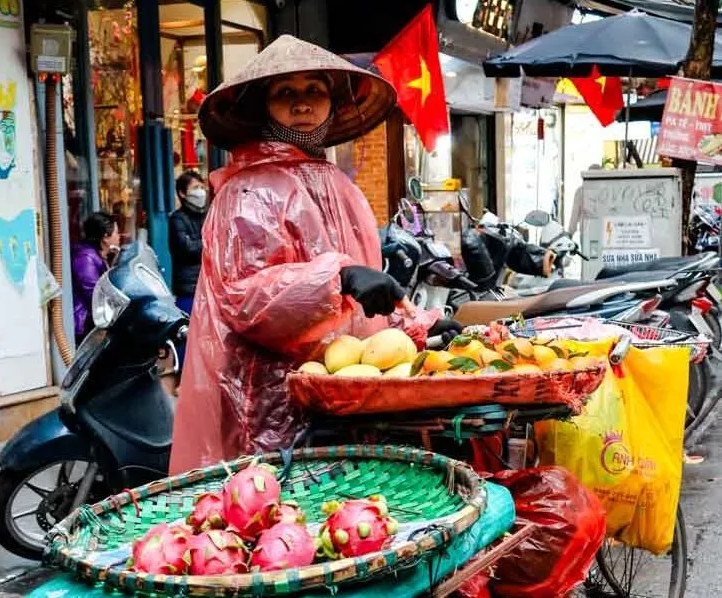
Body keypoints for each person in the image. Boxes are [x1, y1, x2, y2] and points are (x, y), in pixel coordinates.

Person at [169, 34, 457, 476]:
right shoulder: (248, 192)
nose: (302, 104)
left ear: (331, 103)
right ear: (263, 107)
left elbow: (368, 302)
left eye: (314, 91)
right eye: (287, 93)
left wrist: (420, 325)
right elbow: (246, 299)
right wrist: (336, 279)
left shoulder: (342, 188)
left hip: (343, 404)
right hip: (272, 406)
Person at [70, 211, 119, 343]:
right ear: (105, 237)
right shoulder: (85, 259)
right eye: (116, 232)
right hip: (84, 323)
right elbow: (94, 296)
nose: (118, 236)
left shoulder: (99, 256)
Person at [168, 169, 208, 315]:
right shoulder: (177, 219)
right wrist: (210, 240)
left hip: (208, 287)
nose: (200, 192)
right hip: (188, 290)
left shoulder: (207, 215)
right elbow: (188, 249)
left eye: (202, 188)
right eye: (195, 188)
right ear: (182, 193)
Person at [567, 164, 602, 238]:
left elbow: (575, 214)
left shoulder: (580, 191)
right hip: (602, 232)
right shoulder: (605, 192)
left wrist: (570, 233)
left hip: (586, 232)